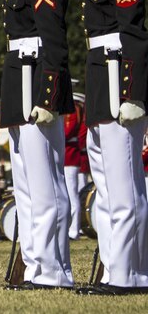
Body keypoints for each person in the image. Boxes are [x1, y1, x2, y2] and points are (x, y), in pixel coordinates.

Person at [70, 0, 148, 295]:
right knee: (106, 183)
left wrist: (134, 94)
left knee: (124, 185)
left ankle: (131, 275)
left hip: (119, 78)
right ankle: (115, 270)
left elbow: (134, 35)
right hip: (102, 74)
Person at [0, 0, 75, 289]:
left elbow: (53, 41)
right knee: (26, 185)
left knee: (46, 185)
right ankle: (35, 264)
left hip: (35, 81)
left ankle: (53, 269)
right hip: (18, 79)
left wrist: (49, 95)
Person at [65, 93, 84, 239]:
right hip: (65, 154)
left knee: (72, 193)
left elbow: (69, 130)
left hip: (70, 155)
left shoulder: (74, 109)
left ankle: (74, 229)